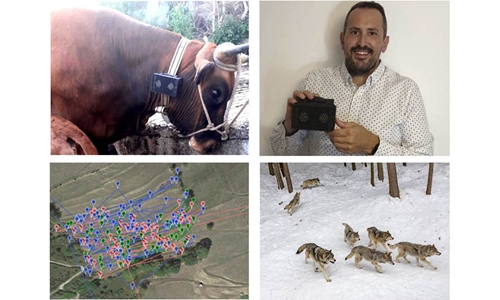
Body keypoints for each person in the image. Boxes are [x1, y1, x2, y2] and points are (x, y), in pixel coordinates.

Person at [269, 1, 434, 156]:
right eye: (355, 32)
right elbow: (280, 151)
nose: (362, 42)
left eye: (372, 33)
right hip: (320, 183)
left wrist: (373, 144)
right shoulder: (314, 81)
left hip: (378, 186)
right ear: (343, 40)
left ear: (384, 43)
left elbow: (424, 157)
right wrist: (290, 127)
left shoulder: (406, 91)